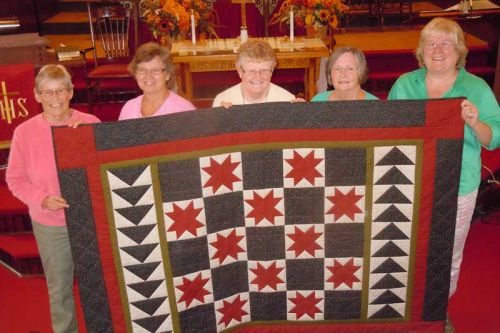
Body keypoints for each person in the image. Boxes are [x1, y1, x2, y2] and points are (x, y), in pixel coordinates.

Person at [388, 17, 500, 332]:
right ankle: (405, 312)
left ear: (459, 51)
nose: (438, 50)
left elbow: (496, 137)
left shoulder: (475, 87)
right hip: (410, 182)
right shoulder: (405, 84)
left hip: (457, 186)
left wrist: (475, 122)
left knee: (447, 253)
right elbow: (388, 130)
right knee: (406, 247)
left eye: (446, 43)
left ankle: (437, 312)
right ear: (421, 52)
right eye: (431, 44)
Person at [6, 64, 101, 333]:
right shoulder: (24, 132)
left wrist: (88, 137)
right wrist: (41, 199)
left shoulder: (89, 123)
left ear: (71, 92)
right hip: (50, 223)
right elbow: (15, 180)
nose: (56, 98)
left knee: (99, 286)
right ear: (37, 96)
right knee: (59, 288)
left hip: (90, 219)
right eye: (48, 92)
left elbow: (106, 169)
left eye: (61, 90)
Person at [119, 42, 195, 120]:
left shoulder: (183, 111)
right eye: (142, 70)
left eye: (155, 70)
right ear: (135, 73)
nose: (148, 75)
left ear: (168, 74)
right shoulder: (128, 108)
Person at [212, 40, 298, 107]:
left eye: (264, 70)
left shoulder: (286, 100)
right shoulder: (223, 101)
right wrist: (221, 118)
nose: (258, 77)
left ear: (272, 71)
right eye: (251, 71)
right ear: (240, 72)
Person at [311, 46, 378, 101]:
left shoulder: (376, 107)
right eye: (337, 68)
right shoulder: (318, 101)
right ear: (330, 74)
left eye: (350, 69)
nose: (343, 74)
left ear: (361, 72)